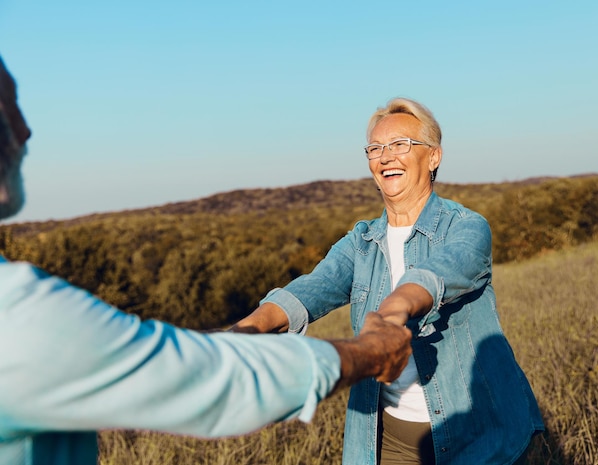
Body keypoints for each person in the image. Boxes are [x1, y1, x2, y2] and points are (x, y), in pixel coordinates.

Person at [0, 56, 413, 465]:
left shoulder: (462, 228)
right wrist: (369, 353)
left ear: (434, 157)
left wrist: (242, 332)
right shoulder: (17, 315)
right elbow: (216, 379)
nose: (26, 128)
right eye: (10, 106)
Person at [231, 97, 545, 464]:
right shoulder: (361, 243)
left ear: (433, 157)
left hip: (477, 433)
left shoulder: (467, 227)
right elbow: (309, 290)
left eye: (400, 145)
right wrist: (242, 333)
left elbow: (432, 277)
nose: (386, 157)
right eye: (375, 148)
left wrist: (390, 315)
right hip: (389, 439)